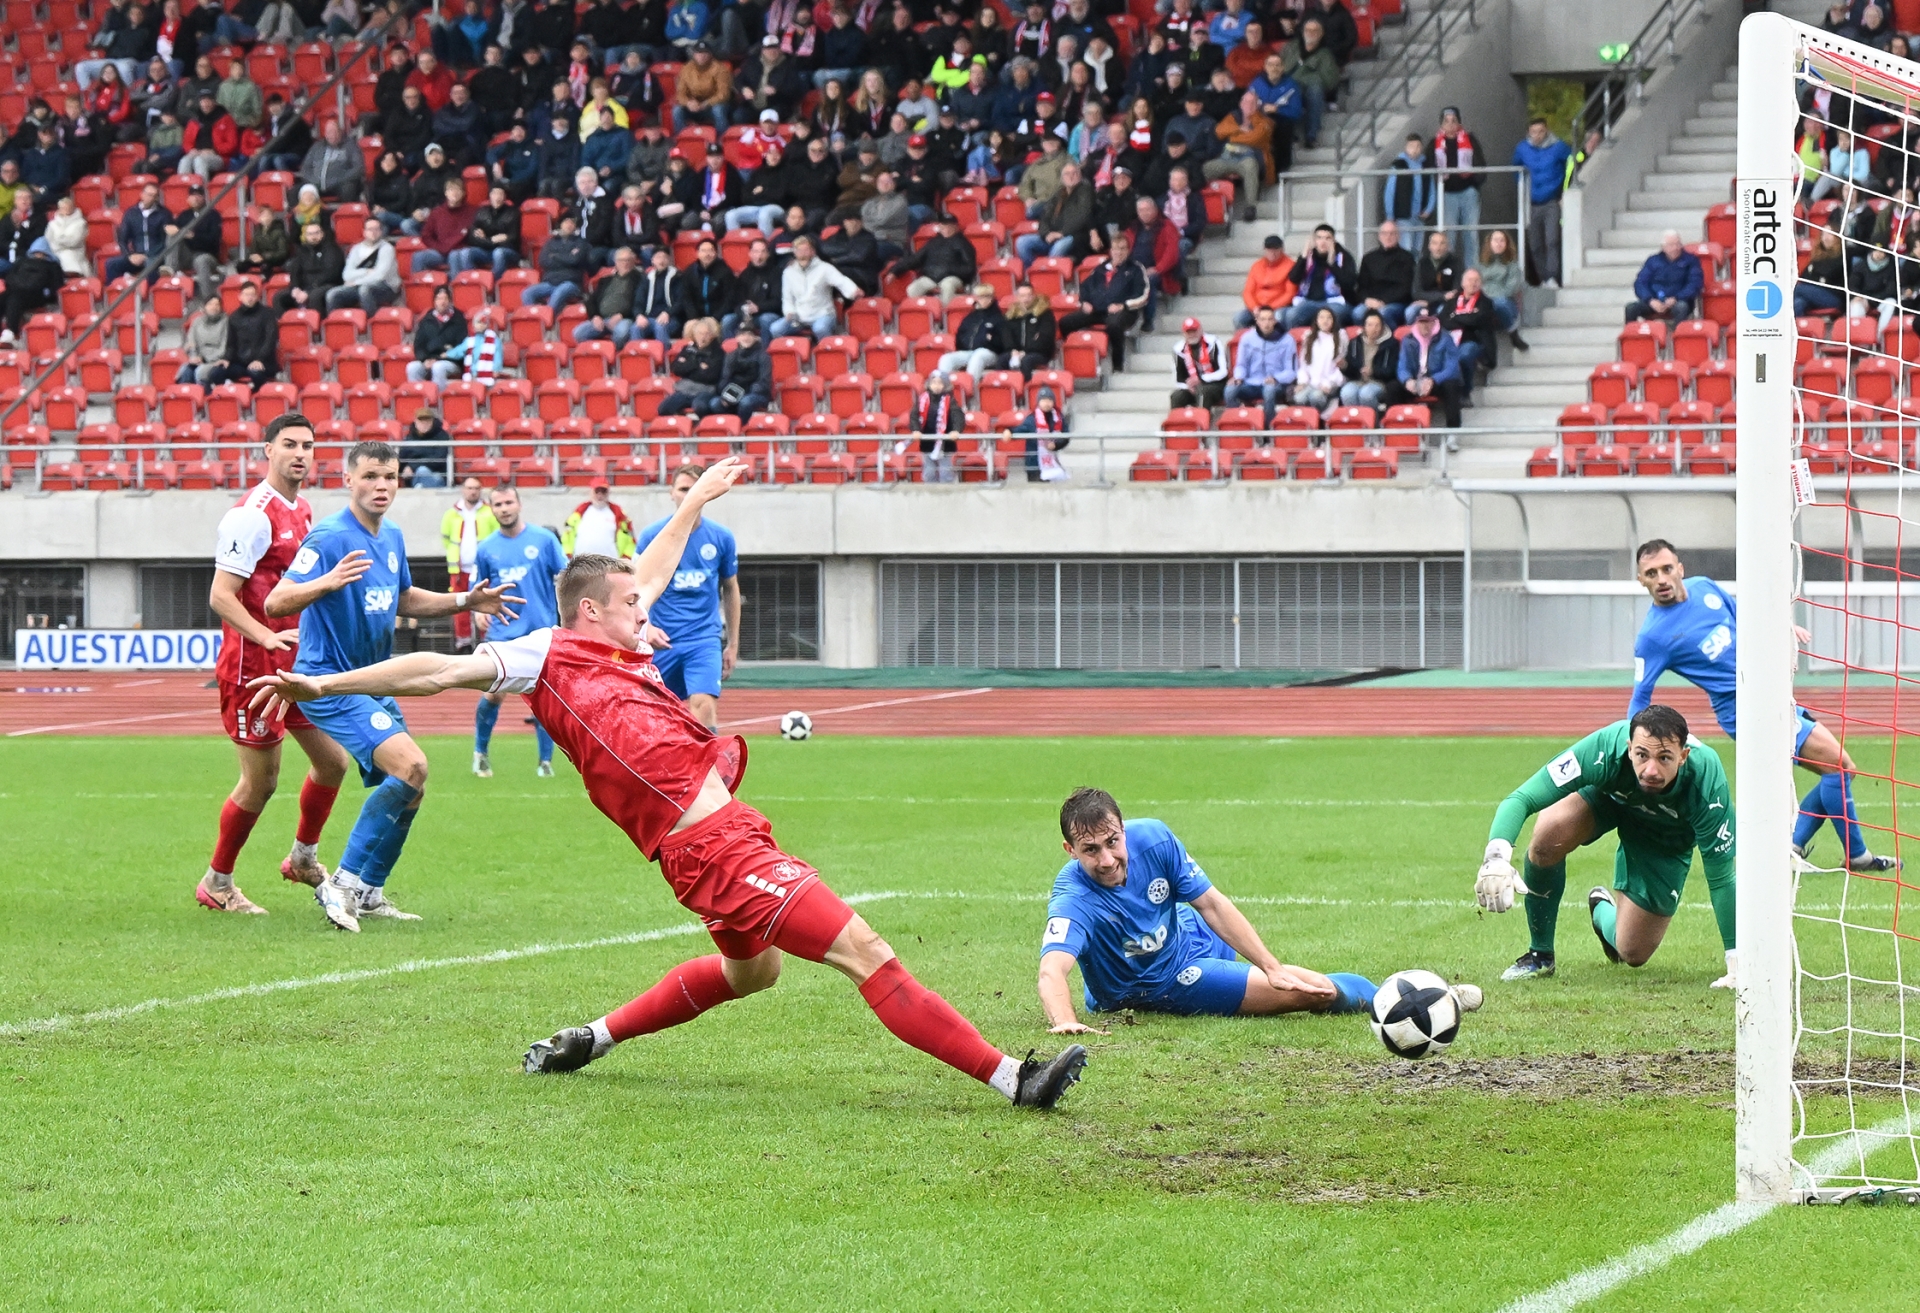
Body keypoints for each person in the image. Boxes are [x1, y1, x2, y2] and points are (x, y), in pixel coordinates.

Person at [250, 474, 1091, 1108]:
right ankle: (1012, 1077)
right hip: (714, 849)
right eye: (630, 603)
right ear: (590, 611)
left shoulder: (620, 637)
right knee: (864, 950)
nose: (646, 609)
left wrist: (690, 503)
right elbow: (434, 669)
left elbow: (649, 566)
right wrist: (322, 685)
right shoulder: (546, 653)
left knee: (751, 973)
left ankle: (594, 1036)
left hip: (723, 837)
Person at [261, 441, 518, 933]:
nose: (382, 486)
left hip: (373, 680)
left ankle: (369, 892)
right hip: (329, 680)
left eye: (390, 477)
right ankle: (340, 883)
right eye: (371, 476)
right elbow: (277, 602)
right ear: (348, 480)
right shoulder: (331, 536)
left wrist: (465, 601)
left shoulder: (392, 535)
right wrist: (327, 582)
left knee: (411, 788)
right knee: (411, 765)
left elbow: (404, 599)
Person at [1627, 539, 1900, 875]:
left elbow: (1745, 619)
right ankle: (1855, 856)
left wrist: (1783, 627)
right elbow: (1641, 696)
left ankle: (1795, 847)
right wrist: (1633, 745)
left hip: (1768, 693)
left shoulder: (1704, 588)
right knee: (1839, 767)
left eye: (1667, 569)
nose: (1661, 579)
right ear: (1641, 580)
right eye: (1651, 573)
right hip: (1743, 710)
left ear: (1680, 569)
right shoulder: (1652, 637)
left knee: (1840, 769)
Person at [1039, 788, 1401, 1030]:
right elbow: (1052, 970)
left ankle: (1410, 998)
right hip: (1168, 980)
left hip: (1190, 933)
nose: (1106, 860)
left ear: (1123, 829)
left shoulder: (1154, 838)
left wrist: (1271, 967)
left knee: (1279, 975)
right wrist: (1066, 1022)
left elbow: (1211, 904)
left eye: (1113, 842)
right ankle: (1395, 1000)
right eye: (1090, 850)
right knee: (1314, 989)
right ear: (1070, 850)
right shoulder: (1073, 897)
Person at [198, 415, 353, 914]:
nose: (300, 454)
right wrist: (266, 635)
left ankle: (303, 859)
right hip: (253, 671)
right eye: (290, 444)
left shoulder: (302, 509)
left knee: (333, 763)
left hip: (295, 667)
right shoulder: (251, 515)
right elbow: (221, 596)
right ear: (268, 450)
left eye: (308, 445)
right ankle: (217, 882)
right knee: (261, 783)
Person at [1475, 706, 1737, 987]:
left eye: (1664, 758)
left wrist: (1737, 965)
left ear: (1683, 756)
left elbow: (1721, 878)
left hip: (1666, 837)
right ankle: (1540, 955)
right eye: (1642, 755)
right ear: (1629, 748)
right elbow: (1522, 798)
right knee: (1547, 836)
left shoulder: (1706, 779)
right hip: (1608, 801)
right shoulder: (1604, 748)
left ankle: (1601, 909)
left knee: (1633, 952)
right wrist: (1496, 857)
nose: (1651, 770)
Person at [628, 461, 741, 730]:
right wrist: (646, 629)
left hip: (703, 639)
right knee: (650, 717)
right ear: (671, 493)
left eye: (694, 489)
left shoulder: (721, 537)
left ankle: (707, 759)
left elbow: (731, 588)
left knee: (704, 706)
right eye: (682, 489)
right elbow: (633, 588)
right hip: (661, 641)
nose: (688, 495)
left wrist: (733, 644)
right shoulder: (652, 536)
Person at [470, 484, 567, 778]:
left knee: (544, 699)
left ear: (519, 504)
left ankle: (545, 762)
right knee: (493, 695)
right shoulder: (486, 548)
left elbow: (565, 578)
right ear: (492, 509)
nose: (504, 509)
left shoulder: (544, 540)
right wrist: (477, 611)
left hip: (541, 633)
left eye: (508, 503)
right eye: (498, 504)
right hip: (503, 632)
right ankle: (480, 753)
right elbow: (478, 589)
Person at [1057, 231, 1149, 370]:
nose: (1118, 252)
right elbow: (1085, 287)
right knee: (1066, 322)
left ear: (1128, 250)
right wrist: (1084, 302)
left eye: (1122, 249)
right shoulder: (1100, 268)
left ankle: (1117, 366)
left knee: (1114, 325)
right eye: (1115, 249)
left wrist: (1123, 305)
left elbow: (1143, 295)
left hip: (1124, 312)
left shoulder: (1136, 269)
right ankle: (1073, 360)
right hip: (1097, 310)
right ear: (1111, 250)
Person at [441, 476, 499, 652]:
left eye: (476, 488)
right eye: (469, 488)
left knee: (486, 604)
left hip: (483, 569)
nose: (473, 492)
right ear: (462, 489)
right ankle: (463, 643)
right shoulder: (451, 514)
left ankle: (487, 641)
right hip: (459, 570)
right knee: (460, 605)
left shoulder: (490, 512)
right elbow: (446, 538)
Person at [1511, 117, 1570, 288]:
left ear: (1547, 131)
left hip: (1552, 201)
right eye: (1533, 132)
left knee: (1552, 241)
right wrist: (1523, 188)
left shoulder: (1559, 147)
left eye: (1541, 131)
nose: (1537, 135)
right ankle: (1544, 279)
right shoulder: (1522, 148)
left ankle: (1553, 277)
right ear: (1529, 133)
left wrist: (1565, 191)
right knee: (1535, 245)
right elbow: (1515, 169)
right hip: (1531, 203)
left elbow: (1572, 164)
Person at [774, 234, 861, 339]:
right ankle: (799, 347)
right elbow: (787, 298)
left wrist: (853, 291)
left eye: (806, 250)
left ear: (813, 251)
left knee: (820, 328)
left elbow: (841, 281)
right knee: (776, 329)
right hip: (799, 316)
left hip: (823, 314)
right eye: (799, 250)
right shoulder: (788, 272)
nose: (803, 253)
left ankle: (826, 348)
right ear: (794, 252)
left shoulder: (825, 268)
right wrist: (789, 312)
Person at [1396, 301, 1462, 437]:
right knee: (1393, 388)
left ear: (1434, 322)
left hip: (1436, 381)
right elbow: (1402, 366)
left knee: (1451, 386)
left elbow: (1452, 367)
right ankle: (1395, 430)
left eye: (1428, 321)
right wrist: (1407, 380)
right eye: (1421, 322)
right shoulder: (1408, 340)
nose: (1425, 325)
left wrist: (1433, 380)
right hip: (1416, 380)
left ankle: (1453, 433)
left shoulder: (1445, 338)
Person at [1432, 107, 1485, 267]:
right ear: (1441, 124)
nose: (1450, 124)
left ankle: (1472, 273)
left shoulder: (1470, 139)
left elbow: (1480, 163)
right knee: (1449, 238)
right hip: (1447, 194)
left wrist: (1475, 182)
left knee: (1471, 236)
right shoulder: (1434, 143)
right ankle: (1449, 272)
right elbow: (1428, 166)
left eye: (1453, 121)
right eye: (1446, 121)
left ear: (1459, 123)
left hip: (1468, 192)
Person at [1225, 304, 1296, 423]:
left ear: (1275, 321)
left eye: (1270, 319)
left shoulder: (1287, 340)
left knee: (1269, 390)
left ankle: (1268, 428)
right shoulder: (1247, 338)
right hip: (1251, 383)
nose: (1266, 323)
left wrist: (1276, 378)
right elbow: (1241, 365)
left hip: (1276, 384)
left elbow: (1291, 372)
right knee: (1230, 390)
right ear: (1257, 321)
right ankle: (1240, 423)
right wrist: (1238, 377)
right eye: (1262, 319)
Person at [892, 209, 977, 303]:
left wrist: (950, 270)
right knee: (912, 289)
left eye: (949, 226)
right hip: (931, 277)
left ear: (956, 227)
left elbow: (970, 268)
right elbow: (916, 258)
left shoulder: (963, 244)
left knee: (947, 285)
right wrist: (895, 270)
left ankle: (945, 310)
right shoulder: (933, 242)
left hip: (952, 278)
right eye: (943, 226)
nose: (946, 229)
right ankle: (924, 309)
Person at [1440, 267, 1497, 406]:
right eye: (1470, 280)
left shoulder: (1486, 302)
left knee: (1464, 354)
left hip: (1474, 342)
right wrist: (1467, 318)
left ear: (1481, 283)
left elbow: (1476, 320)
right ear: (1462, 283)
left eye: (1477, 280)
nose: (1473, 283)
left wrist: (1456, 316)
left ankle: (1465, 393)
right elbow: (1443, 321)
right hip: (1451, 341)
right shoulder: (1452, 301)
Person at [1284, 222, 1355, 328]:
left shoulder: (1343, 256)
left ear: (1334, 241)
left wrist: (1332, 264)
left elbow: (1349, 284)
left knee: (1332, 315)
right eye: (1319, 238)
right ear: (1314, 240)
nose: (1323, 242)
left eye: (1327, 238)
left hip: (1336, 302)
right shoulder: (1308, 256)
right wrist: (1303, 257)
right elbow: (1293, 278)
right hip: (1309, 301)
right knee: (1291, 315)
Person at [574, 243, 646, 346]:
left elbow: (638, 301)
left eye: (628, 260)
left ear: (634, 261)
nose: (625, 263)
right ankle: (599, 352)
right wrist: (595, 316)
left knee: (621, 333)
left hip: (624, 318)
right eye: (622, 260)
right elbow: (591, 300)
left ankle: (614, 352)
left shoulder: (639, 279)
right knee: (579, 333)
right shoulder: (606, 280)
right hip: (602, 319)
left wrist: (621, 315)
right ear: (616, 262)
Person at [1626, 230, 1703, 323]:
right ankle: (1631, 332)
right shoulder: (1653, 260)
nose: (1675, 248)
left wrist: (1676, 298)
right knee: (1631, 308)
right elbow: (1640, 283)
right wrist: (1650, 300)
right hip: (1654, 300)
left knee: (1681, 307)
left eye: (1678, 244)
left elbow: (1695, 284)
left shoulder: (1691, 260)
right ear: (1663, 247)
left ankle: (1679, 332)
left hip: (1678, 301)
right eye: (1671, 245)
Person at [939, 283, 1009, 384]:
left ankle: (969, 387)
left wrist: (990, 341)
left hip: (990, 353)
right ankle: (942, 387)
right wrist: (963, 344)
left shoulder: (999, 318)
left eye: (987, 296)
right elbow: (960, 334)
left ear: (992, 298)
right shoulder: (970, 317)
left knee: (978, 356)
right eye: (981, 297)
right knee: (946, 359)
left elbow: (1003, 341)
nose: (984, 300)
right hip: (969, 351)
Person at [328, 217, 400, 314]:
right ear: (364, 232)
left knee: (365, 289)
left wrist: (357, 282)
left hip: (386, 287)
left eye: (376, 229)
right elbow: (346, 275)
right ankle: (337, 321)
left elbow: (379, 276)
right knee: (332, 294)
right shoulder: (356, 249)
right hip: (358, 286)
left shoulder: (387, 249)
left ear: (381, 231)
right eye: (370, 229)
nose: (373, 232)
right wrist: (366, 271)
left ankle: (371, 321)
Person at [1351, 218, 1414, 327]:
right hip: (1371, 302)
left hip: (1395, 303)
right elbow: (1361, 287)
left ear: (1398, 236)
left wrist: (1383, 302)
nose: (1388, 237)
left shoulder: (1407, 258)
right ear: (1379, 236)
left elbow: (1406, 288)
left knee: (1384, 313)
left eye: (1392, 234)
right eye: (1384, 233)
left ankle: (1390, 337)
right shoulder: (1369, 258)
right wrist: (1367, 300)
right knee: (1357, 314)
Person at [105, 181, 170, 283]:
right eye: (149, 195)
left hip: (156, 255)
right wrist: (129, 255)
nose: (151, 198)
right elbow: (122, 239)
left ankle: (149, 291)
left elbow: (165, 240)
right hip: (136, 255)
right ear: (142, 194)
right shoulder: (131, 213)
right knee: (111, 264)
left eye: (154, 196)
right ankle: (115, 289)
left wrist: (148, 255)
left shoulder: (164, 214)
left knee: (151, 264)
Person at [657, 317, 726, 414]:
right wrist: (697, 366)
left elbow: (710, 376)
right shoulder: (687, 349)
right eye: (700, 333)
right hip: (685, 390)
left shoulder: (718, 353)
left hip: (705, 390)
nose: (702, 337)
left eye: (706, 334)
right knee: (663, 408)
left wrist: (687, 369)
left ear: (711, 336)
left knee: (700, 406)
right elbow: (676, 368)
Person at [1382, 132, 1435, 252]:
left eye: (1417, 146)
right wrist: (1390, 216)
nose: (1415, 150)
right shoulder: (1399, 165)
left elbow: (1432, 190)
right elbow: (1390, 192)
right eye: (1411, 146)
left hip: (1420, 216)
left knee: (1417, 249)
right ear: (1406, 147)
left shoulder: (1425, 165)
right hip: (1403, 215)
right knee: (1406, 248)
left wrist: (1428, 209)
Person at [219, 278, 278, 386]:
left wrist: (260, 359)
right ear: (240, 297)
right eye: (246, 295)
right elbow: (231, 343)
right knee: (216, 373)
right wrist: (226, 359)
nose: (250, 298)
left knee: (255, 373)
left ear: (257, 296)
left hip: (264, 362)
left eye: (252, 295)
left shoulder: (268, 314)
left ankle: (257, 392)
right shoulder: (234, 317)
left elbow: (270, 340)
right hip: (240, 363)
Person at [1339, 308, 1399, 411]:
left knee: (1366, 394)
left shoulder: (1391, 344)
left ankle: (1373, 419)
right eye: (1370, 325)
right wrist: (1345, 366)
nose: (1374, 329)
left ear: (1382, 326)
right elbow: (1352, 371)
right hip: (1358, 380)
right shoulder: (1355, 343)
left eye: (1377, 325)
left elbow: (1392, 371)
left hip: (1379, 382)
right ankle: (1355, 419)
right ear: (1364, 326)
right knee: (1347, 393)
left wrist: (1373, 372)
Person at [911, 370, 965, 483]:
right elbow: (914, 416)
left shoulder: (950, 400)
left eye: (940, 383)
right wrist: (916, 430)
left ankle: (947, 492)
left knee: (946, 472)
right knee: (929, 472)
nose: (936, 386)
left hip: (946, 444)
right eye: (934, 382)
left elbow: (957, 416)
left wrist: (956, 430)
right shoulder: (922, 400)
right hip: (927, 442)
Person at [1478, 229, 1527, 351]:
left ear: (1507, 244)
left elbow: (1511, 289)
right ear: (1489, 243)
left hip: (1506, 305)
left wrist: (1489, 296)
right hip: (1485, 304)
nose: (1498, 244)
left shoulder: (1512, 265)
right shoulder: (1480, 265)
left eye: (1502, 241)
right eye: (1495, 240)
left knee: (1499, 302)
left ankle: (1513, 333)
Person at [563, 479, 637, 559]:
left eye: (603, 491)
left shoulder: (619, 515)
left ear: (608, 493)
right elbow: (567, 535)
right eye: (597, 491)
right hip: (581, 563)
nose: (600, 495)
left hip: (610, 563)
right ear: (590, 492)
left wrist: (626, 558)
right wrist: (568, 554)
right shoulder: (579, 513)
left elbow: (631, 539)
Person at [1007, 384, 1068, 481]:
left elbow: (1065, 436)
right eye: (1043, 400)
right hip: (1034, 465)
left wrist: (1056, 445)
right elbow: (1020, 430)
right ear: (1038, 402)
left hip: (1053, 464)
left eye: (1049, 400)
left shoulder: (1058, 418)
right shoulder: (1032, 419)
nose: (1046, 403)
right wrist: (1009, 431)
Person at [1291, 304, 1344, 415]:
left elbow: (1339, 368)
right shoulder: (1310, 338)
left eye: (1329, 318)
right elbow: (1304, 365)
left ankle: (1322, 418)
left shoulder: (1340, 338)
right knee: (1299, 398)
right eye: (1321, 317)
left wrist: (1328, 384)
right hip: (1312, 383)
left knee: (1316, 397)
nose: (1325, 321)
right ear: (1316, 321)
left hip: (1330, 383)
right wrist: (1302, 382)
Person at [1168, 315, 1227, 410]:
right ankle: (1177, 419)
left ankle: (1202, 419)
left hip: (1215, 384)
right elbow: (1178, 379)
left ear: (1200, 330)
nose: (1192, 335)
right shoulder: (1178, 349)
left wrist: (1201, 379)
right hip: (1191, 387)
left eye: (1194, 331)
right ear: (1184, 334)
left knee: (1202, 392)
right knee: (1176, 396)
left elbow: (1223, 372)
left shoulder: (1213, 343)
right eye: (1188, 332)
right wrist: (1189, 386)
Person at [1237, 233, 1295, 328]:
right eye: (1269, 250)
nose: (1272, 253)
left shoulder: (1291, 266)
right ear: (1264, 250)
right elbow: (1248, 292)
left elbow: (1290, 293)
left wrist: (1269, 309)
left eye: (1275, 249)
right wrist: (1254, 307)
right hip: (1257, 307)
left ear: (1282, 249)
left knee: (1279, 316)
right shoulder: (1257, 266)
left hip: (1278, 307)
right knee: (1239, 318)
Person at [1000, 281, 1056, 377]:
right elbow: (1006, 335)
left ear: (1033, 296)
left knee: (1026, 361)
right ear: (1017, 297)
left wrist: (1026, 352)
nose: (1025, 299)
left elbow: (1045, 337)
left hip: (1039, 353)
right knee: (1002, 360)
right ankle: (1004, 385)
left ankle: (1026, 385)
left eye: (1028, 295)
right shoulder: (1011, 315)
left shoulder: (1044, 314)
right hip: (1016, 352)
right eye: (1022, 296)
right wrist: (1012, 350)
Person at [1412, 227, 1460, 314]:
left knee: (1441, 311)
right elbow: (1416, 292)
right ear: (1429, 246)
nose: (1438, 247)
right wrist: (1441, 296)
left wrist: (1439, 298)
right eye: (1435, 243)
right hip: (1425, 302)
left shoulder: (1456, 263)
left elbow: (1455, 292)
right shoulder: (1422, 263)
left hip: (1446, 303)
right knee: (1410, 312)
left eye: (1442, 243)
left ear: (1448, 246)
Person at [399, 408, 451, 487]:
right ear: (415, 422)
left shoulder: (442, 436)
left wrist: (412, 467)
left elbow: (438, 459)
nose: (424, 424)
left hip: (437, 474)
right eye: (421, 421)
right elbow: (402, 458)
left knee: (422, 471)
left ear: (432, 421)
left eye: (427, 421)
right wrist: (404, 469)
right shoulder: (409, 437)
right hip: (413, 477)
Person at [185, 293, 228, 385]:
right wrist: (194, 356)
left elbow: (225, 346)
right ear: (204, 307)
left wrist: (204, 358)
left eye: (217, 305)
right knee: (185, 371)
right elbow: (191, 342)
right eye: (210, 304)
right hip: (198, 358)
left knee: (200, 373)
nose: (213, 307)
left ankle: (205, 393)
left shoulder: (226, 322)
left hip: (216, 360)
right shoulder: (197, 322)